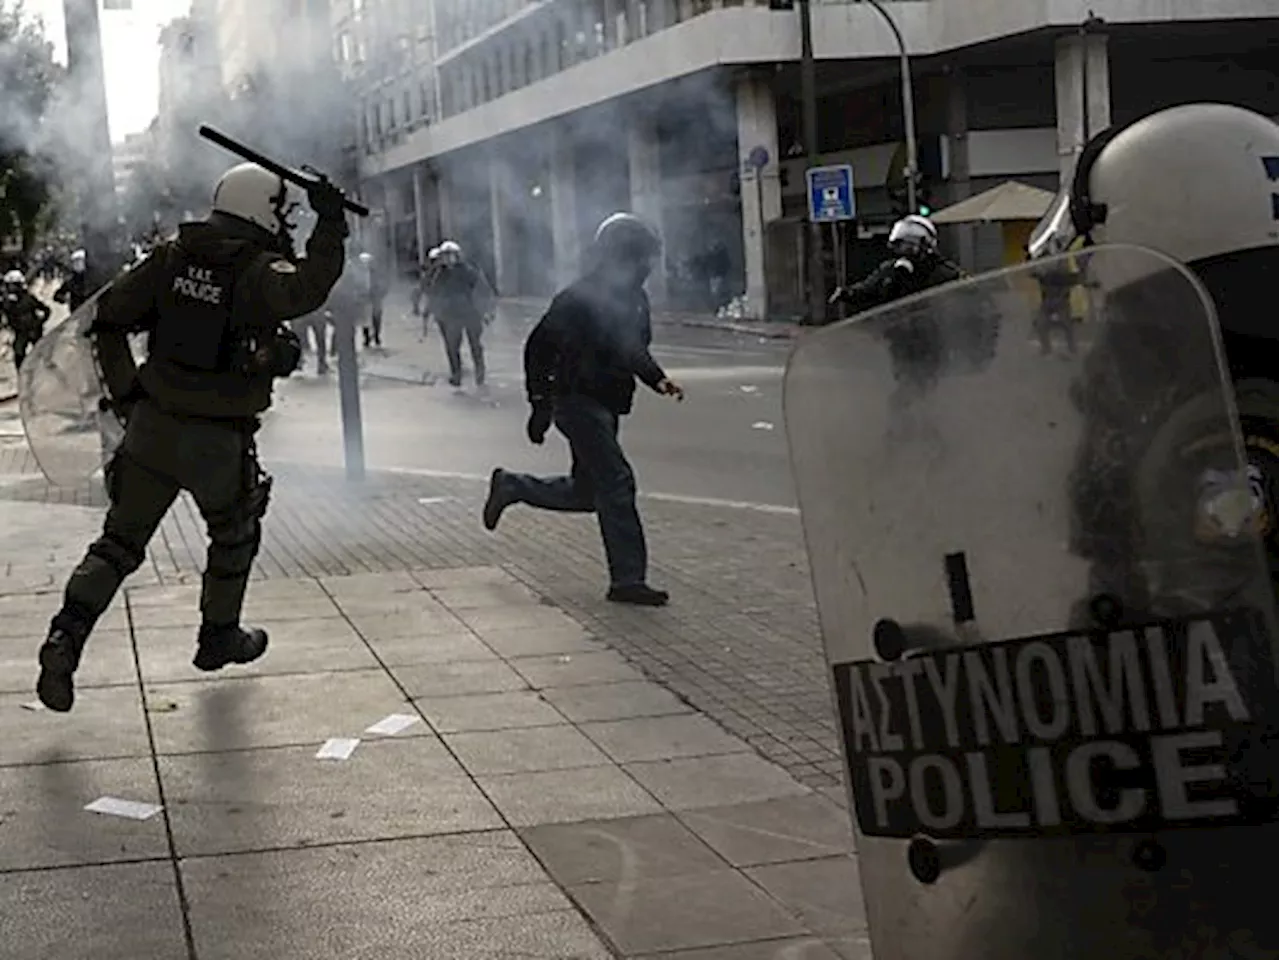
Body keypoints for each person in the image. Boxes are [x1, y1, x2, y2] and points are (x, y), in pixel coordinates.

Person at [34, 161, 349, 713]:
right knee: (234, 534)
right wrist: (331, 224)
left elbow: (107, 317)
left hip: (152, 429)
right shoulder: (255, 270)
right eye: (283, 213)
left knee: (118, 545)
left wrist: (130, 397)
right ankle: (217, 635)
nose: (286, 226)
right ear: (261, 210)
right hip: (216, 441)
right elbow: (306, 289)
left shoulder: (169, 260)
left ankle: (65, 638)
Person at [481, 212, 685, 607]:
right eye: (639, 258)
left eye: (647, 259)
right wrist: (539, 404)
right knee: (617, 482)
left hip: (608, 402)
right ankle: (627, 581)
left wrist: (657, 379)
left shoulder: (634, 299)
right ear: (616, 257)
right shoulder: (577, 299)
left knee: (588, 492)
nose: (645, 267)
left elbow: (630, 347)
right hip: (575, 401)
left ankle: (512, 486)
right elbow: (537, 349)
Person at [429, 240, 492, 387]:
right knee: (452, 346)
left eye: (451, 255)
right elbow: (434, 292)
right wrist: (436, 311)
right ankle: (456, 374)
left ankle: (480, 371)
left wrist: (485, 311)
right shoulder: (440, 274)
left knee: (475, 344)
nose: (448, 259)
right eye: (445, 256)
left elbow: (481, 291)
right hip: (452, 315)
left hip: (471, 313)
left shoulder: (468, 271)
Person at [0, 269, 51, 372]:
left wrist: (39, 322)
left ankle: (43, 371)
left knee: (41, 351)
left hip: (33, 330)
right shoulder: (7, 301)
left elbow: (46, 310)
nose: (10, 288)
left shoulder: (28, 298)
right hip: (20, 332)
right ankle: (23, 372)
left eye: (12, 285)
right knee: (19, 352)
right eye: (9, 285)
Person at [358, 250, 389, 348]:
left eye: (368, 262)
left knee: (377, 318)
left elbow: (383, 284)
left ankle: (376, 336)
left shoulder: (376, 273)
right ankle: (366, 338)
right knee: (365, 320)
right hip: (364, 300)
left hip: (375, 299)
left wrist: (380, 293)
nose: (366, 264)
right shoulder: (358, 274)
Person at [412, 246, 441, 340]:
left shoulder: (447, 270)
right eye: (434, 260)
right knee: (427, 314)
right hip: (433, 296)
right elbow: (422, 286)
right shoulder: (429, 272)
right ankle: (425, 332)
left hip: (443, 296)